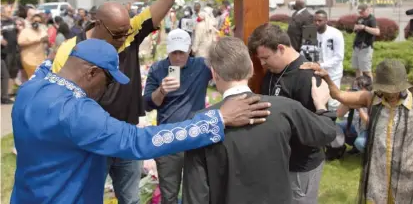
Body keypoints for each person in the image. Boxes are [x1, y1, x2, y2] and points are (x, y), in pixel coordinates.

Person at [12, 39, 271, 204]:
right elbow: (139, 142)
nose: (108, 89)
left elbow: (45, 67)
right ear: (91, 72)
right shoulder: (75, 111)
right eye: (110, 80)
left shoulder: (32, 88)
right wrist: (218, 119)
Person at [52, 0, 193, 204]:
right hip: (93, 140)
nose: (124, 39)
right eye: (117, 35)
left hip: (126, 134)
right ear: (98, 25)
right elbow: (58, 101)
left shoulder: (127, 34)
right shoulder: (70, 50)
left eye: (127, 32)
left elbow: (165, 1)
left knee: (131, 198)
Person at [182, 37, 337, 204]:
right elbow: (326, 132)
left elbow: (195, 193)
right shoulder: (284, 109)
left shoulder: (203, 122)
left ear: (214, 73)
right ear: (250, 68)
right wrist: (321, 105)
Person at [301, 59, 413, 204]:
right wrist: (326, 77)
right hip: (378, 172)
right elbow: (339, 95)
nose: (390, 93)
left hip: (405, 174)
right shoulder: (371, 98)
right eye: (386, 89)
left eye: (394, 89)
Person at [248, 23, 327, 204]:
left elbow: (316, 129)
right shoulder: (273, 72)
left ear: (281, 48)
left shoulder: (307, 77)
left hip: (300, 165)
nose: (262, 64)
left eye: (265, 58)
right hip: (277, 161)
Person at [144, 29, 212, 203]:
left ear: (189, 49)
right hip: (168, 139)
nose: (178, 57)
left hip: (195, 138)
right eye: (174, 52)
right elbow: (147, 104)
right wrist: (161, 91)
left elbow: (225, 73)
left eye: (181, 52)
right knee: (169, 193)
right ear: (168, 50)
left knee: (197, 192)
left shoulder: (202, 66)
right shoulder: (158, 69)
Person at [312, 9, 344, 111]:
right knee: (320, 100)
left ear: (326, 20)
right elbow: (307, 50)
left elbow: (339, 57)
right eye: (315, 20)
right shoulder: (311, 33)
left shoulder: (336, 34)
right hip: (317, 72)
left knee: (333, 102)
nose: (317, 23)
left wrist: (322, 65)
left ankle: (334, 125)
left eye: (320, 20)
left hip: (333, 74)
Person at [352, 4, 380, 79]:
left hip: (365, 48)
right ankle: (359, 85)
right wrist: (356, 28)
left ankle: (371, 88)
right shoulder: (360, 18)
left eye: (362, 12)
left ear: (367, 10)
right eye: (359, 12)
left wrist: (364, 27)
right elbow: (355, 29)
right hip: (357, 46)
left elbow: (377, 32)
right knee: (357, 68)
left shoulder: (372, 19)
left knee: (366, 70)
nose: (360, 14)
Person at [18, 14, 48, 78]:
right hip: (29, 60)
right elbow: (20, 42)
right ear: (31, 21)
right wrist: (37, 40)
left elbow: (47, 42)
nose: (37, 23)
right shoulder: (25, 31)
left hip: (41, 59)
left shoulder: (42, 31)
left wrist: (46, 40)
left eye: (39, 22)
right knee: (34, 78)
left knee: (40, 78)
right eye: (35, 21)